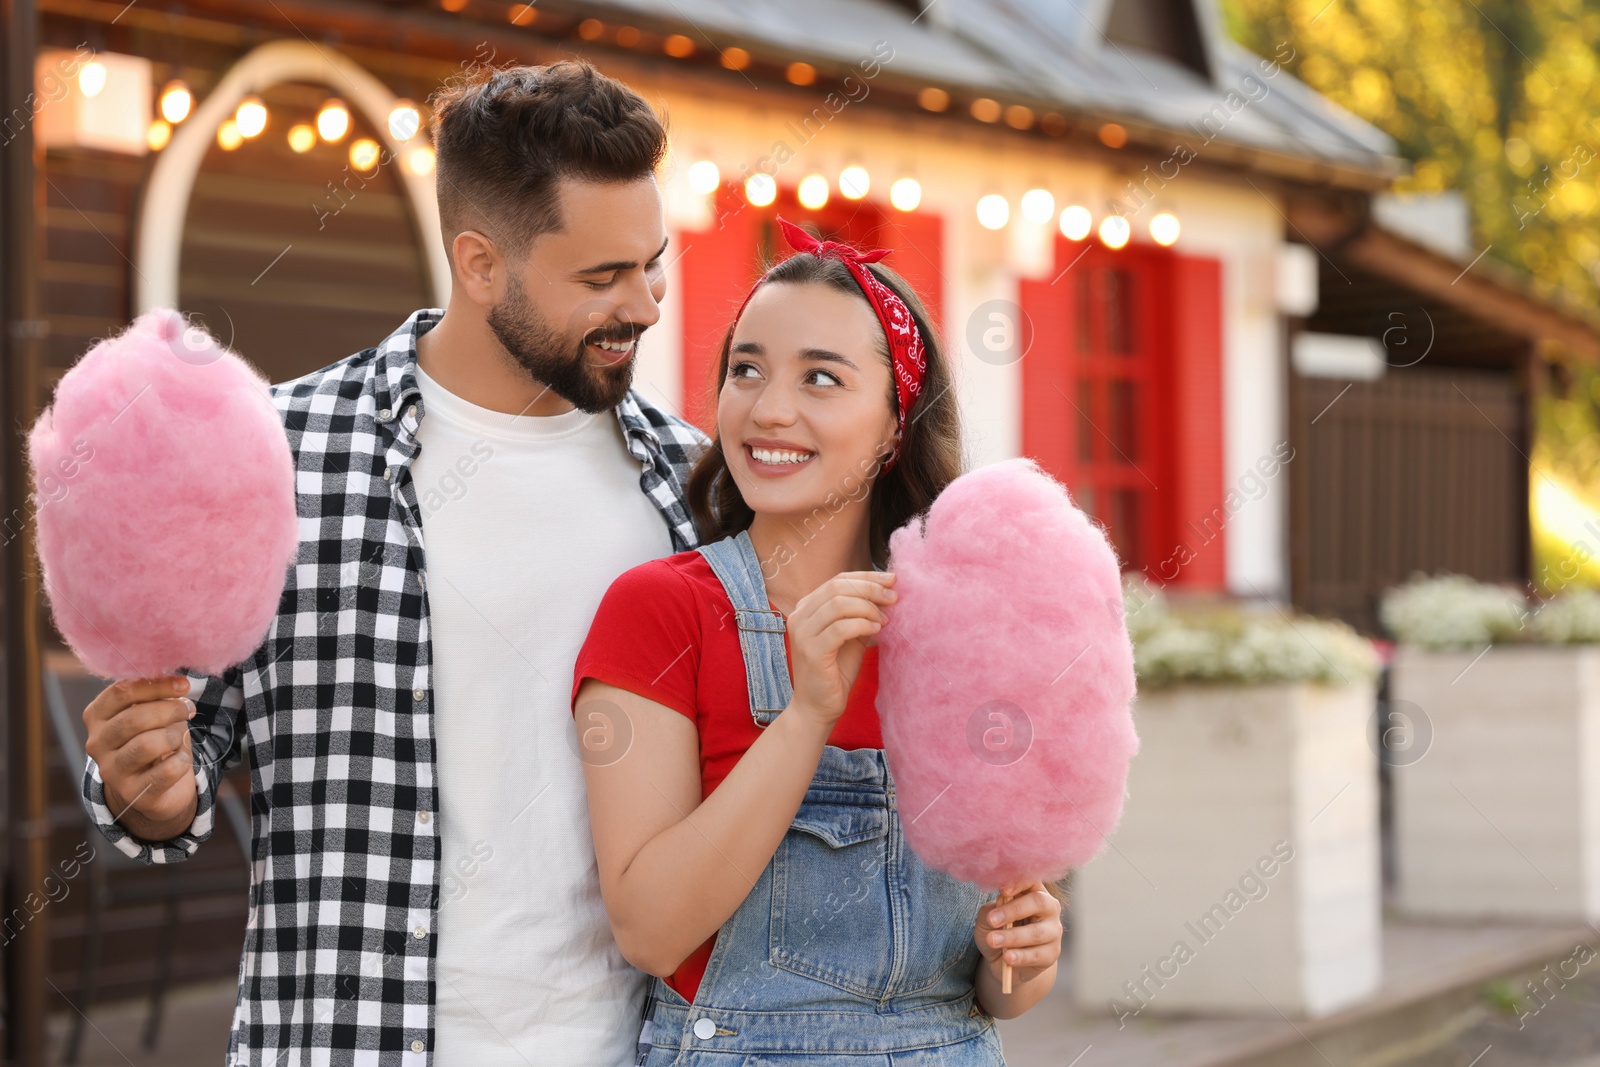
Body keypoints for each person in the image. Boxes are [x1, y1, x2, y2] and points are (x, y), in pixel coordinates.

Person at [78, 61, 704, 1065]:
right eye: (602, 277)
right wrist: (147, 788)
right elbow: (178, 764)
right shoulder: (276, 456)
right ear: (479, 262)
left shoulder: (695, 485)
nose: (646, 303)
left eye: (652, 262)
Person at [571, 219, 1064, 1064]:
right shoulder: (659, 610)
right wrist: (805, 714)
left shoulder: (971, 630)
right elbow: (650, 929)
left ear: (893, 426)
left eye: (821, 378)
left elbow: (993, 992)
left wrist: (1024, 949)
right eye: (746, 369)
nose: (769, 408)